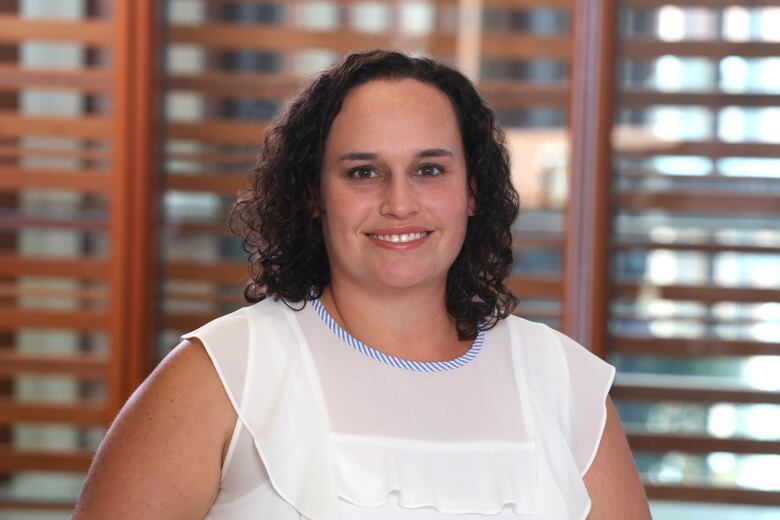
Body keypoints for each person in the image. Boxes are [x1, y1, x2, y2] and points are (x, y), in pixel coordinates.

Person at [73, 50, 650, 519]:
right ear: (313, 196)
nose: (399, 203)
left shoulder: (563, 384)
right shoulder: (225, 374)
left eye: (429, 170)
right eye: (363, 172)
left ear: (472, 192)